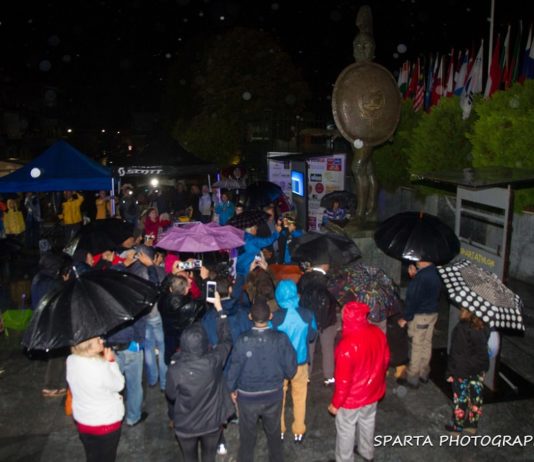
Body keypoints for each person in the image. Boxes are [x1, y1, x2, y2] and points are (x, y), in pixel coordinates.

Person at [166, 291, 234, 462]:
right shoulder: (213, 361)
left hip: (186, 425)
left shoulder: (175, 368)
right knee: (209, 457)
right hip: (211, 424)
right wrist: (219, 309)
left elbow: (171, 395)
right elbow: (226, 340)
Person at [226, 299, 297, 462]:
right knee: (274, 435)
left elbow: (234, 367)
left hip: (247, 397)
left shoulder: (242, 340)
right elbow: (291, 369)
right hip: (273, 395)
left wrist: (231, 389)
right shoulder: (280, 338)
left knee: (247, 437)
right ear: (270, 316)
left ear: (250, 316)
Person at [328, 301, 390, 462]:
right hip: (373, 391)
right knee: (368, 420)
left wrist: (336, 403)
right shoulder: (377, 332)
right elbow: (385, 360)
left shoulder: (346, 346)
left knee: (346, 428)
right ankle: (366, 452)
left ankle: (345, 459)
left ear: (346, 318)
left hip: (352, 398)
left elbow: (343, 381)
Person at [272, 279, 317, 443]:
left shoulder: (275, 317)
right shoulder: (308, 314)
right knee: (300, 397)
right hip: (301, 362)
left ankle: (280, 429)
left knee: (279, 397)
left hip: (280, 365)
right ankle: (299, 430)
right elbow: (312, 336)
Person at [66, 337, 124, 462]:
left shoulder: (71, 360)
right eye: (98, 341)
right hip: (105, 423)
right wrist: (111, 362)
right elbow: (119, 384)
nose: (102, 341)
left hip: (83, 421)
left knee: (92, 456)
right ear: (88, 346)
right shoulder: (100, 367)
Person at [397, 261, 442, 389]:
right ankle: (424, 372)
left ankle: (412, 377)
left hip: (421, 316)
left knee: (416, 346)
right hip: (432, 314)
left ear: (424, 261)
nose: (416, 261)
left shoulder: (421, 278)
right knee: (426, 343)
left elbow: (413, 299)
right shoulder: (434, 272)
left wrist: (406, 318)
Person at [445, 307, 490, 435]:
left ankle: (457, 427)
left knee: (461, 398)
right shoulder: (484, 326)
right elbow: (483, 350)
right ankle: (472, 425)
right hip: (478, 369)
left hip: (462, 370)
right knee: (475, 397)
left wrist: (450, 372)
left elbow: (456, 353)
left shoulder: (462, 328)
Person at [297, 255, 338, 386]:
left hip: (309, 318)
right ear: (324, 265)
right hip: (327, 319)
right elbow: (336, 298)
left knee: (309, 346)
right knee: (328, 348)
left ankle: (307, 376)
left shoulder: (304, 278)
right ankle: (329, 377)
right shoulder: (330, 280)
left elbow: (299, 294)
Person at [159, 274, 207, 365]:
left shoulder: (162, 300)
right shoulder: (192, 305)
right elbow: (204, 301)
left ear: (170, 289)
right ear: (186, 290)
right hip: (184, 341)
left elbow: (162, 287)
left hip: (169, 337)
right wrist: (204, 280)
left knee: (170, 361)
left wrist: (173, 273)